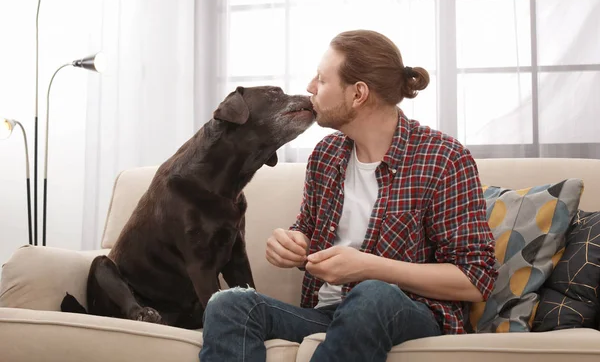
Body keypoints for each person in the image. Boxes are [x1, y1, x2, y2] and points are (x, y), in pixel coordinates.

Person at [198, 29, 497, 362]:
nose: (310, 88)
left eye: (323, 81)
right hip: (326, 314)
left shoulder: (444, 158)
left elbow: (474, 279)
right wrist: (293, 244)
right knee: (229, 304)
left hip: (409, 315)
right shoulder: (326, 155)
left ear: (358, 94)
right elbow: (307, 230)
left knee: (372, 295)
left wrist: (369, 268)